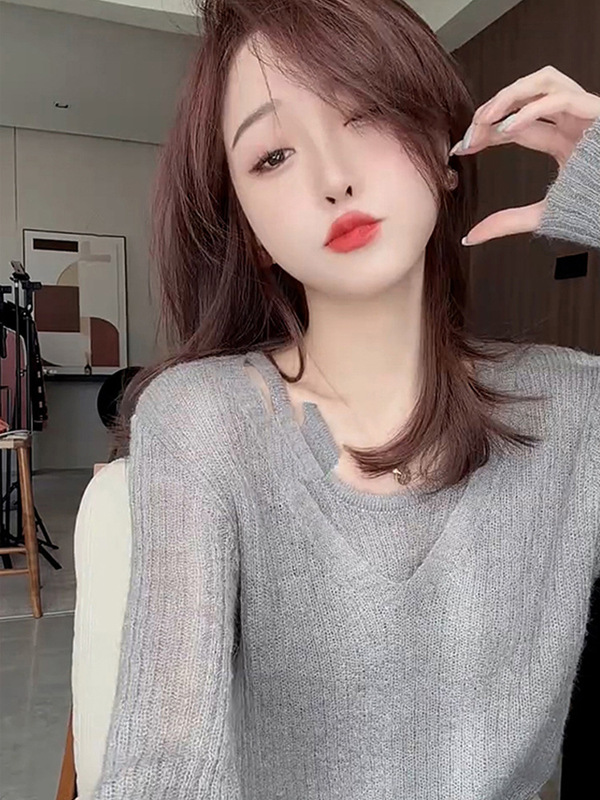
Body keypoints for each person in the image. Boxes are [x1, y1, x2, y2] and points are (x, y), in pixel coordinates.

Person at [91, 1, 600, 798]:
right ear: (250, 229)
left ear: (445, 151)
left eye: (366, 115)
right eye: (273, 156)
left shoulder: (574, 408)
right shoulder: (203, 421)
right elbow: (165, 762)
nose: (335, 179)